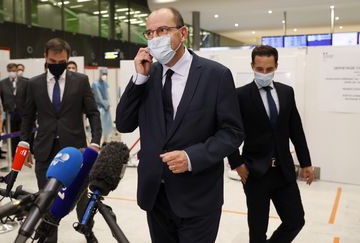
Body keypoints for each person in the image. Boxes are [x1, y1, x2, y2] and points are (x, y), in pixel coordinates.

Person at [116, 7, 244, 243]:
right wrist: (139, 79)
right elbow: (123, 123)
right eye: (149, 33)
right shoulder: (147, 76)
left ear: (183, 33)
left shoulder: (215, 75)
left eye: (162, 31)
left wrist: (191, 156)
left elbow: (232, 133)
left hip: (198, 198)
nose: (155, 39)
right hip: (155, 194)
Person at [228, 45, 314, 243]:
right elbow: (228, 132)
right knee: (257, 232)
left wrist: (306, 163)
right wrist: (237, 163)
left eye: (269, 69)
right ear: (252, 66)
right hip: (255, 173)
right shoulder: (240, 95)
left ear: (276, 66)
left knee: (295, 221)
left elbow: (296, 131)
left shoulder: (286, 92)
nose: (264, 74)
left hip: (284, 171)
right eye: (259, 69)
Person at [21, 38, 102, 243]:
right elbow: (28, 117)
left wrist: (95, 141)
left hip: (76, 152)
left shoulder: (81, 81)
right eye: (52, 61)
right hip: (45, 152)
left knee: (81, 199)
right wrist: (24, 144)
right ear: (45, 59)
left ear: (67, 59)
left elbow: (93, 112)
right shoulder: (34, 83)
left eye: (61, 61)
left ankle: (88, 232)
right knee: (46, 204)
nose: (57, 65)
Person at [0, 63, 28, 158]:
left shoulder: (25, 82)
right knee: (12, 136)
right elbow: (1, 98)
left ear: (17, 70)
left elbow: (28, 97)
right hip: (9, 114)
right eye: (10, 70)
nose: (12, 72)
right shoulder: (2, 83)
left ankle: (23, 155)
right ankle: (13, 155)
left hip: (23, 112)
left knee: (23, 135)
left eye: (14, 70)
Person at [91, 67, 113, 143]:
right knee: (99, 127)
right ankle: (98, 143)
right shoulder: (95, 84)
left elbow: (107, 96)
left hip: (106, 109)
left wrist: (108, 104)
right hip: (99, 108)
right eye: (103, 74)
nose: (104, 75)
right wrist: (105, 105)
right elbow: (98, 97)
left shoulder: (105, 84)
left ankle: (105, 142)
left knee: (107, 128)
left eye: (105, 74)